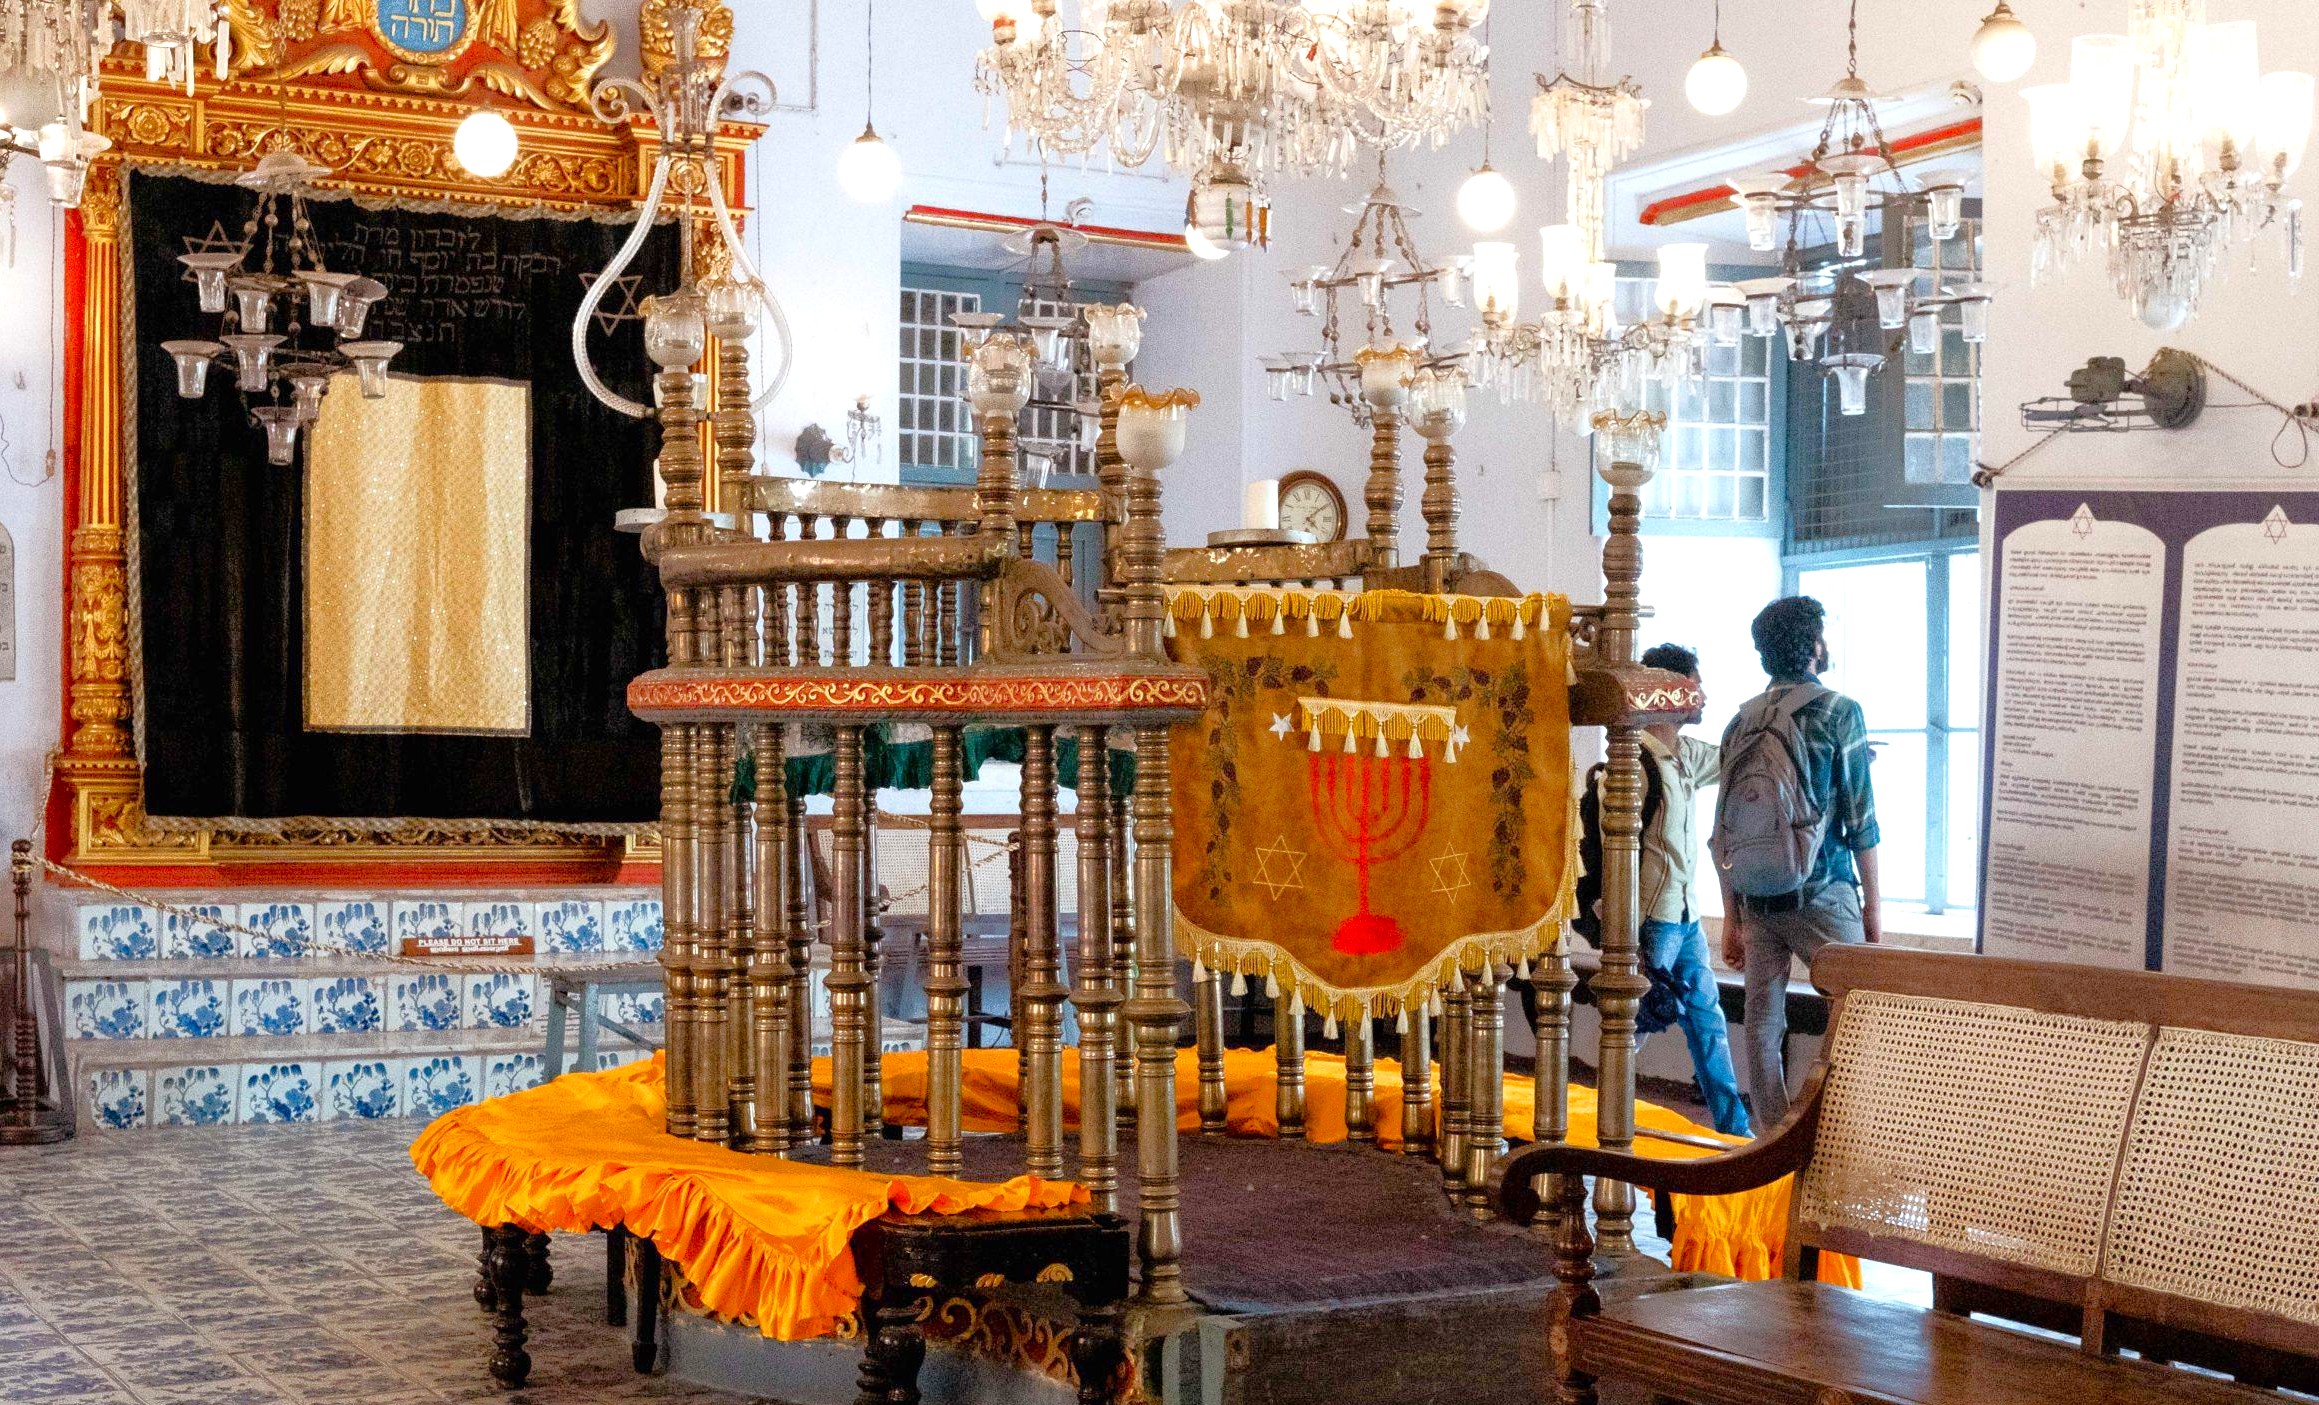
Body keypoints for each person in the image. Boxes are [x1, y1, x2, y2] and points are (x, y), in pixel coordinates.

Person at [1713, 596, 1880, 1130]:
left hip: (1758, 901)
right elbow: (1862, 821)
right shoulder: (1840, 712)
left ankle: (1772, 1139)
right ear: (1812, 647)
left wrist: (1733, 918)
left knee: (1762, 1025)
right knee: (1859, 1014)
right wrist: (1873, 909)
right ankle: (1841, 1133)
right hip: (1823, 894)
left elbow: (1725, 833)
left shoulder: (1739, 723)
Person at [1630, 642, 1752, 1137]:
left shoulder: (1683, 757)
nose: (1702, 695)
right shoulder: (1632, 762)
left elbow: (1736, 761)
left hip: (1685, 918)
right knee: (1633, 1026)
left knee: (1707, 1022)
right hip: (1651, 921)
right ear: (1671, 691)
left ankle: (1733, 1131)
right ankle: (1595, 1117)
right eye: (1694, 685)